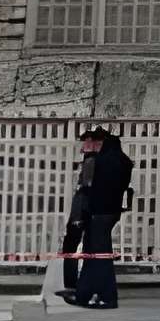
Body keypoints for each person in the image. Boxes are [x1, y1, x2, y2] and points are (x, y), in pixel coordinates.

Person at [61, 128, 133, 310]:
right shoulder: (122, 161)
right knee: (93, 254)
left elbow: (90, 190)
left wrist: (83, 215)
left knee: (99, 257)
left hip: (98, 213)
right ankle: (84, 294)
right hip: (110, 212)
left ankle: (107, 297)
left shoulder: (101, 161)